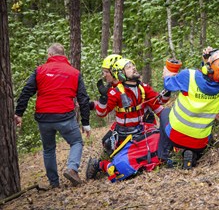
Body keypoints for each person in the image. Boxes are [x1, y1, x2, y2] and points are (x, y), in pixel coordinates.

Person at [14, 43, 91, 187]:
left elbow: (26, 91)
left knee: (48, 149)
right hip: (65, 117)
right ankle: (72, 169)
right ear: (64, 56)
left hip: (44, 118)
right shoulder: (74, 73)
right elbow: (83, 99)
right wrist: (85, 123)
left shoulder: (39, 70)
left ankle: (54, 183)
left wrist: (19, 113)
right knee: (76, 142)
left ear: (49, 55)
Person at [86, 58, 170, 180]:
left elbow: (160, 101)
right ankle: (100, 164)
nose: (134, 68)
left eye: (133, 66)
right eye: (129, 67)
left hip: (141, 131)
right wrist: (103, 98)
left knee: (160, 143)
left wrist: (168, 84)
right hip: (123, 136)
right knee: (121, 169)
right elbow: (101, 113)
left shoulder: (143, 88)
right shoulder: (115, 92)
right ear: (121, 73)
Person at [157, 46, 219, 170]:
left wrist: (167, 75)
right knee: (210, 124)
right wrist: (207, 60)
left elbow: (169, 85)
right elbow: (211, 78)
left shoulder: (189, 76)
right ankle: (192, 155)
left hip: (176, 136)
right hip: (201, 142)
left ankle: (163, 157)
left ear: (208, 68)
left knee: (165, 112)